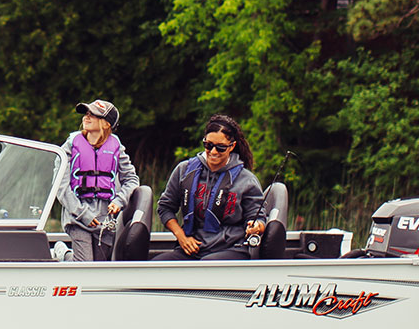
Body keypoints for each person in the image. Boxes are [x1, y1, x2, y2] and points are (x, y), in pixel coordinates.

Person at [153, 114, 265, 261]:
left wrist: (256, 226)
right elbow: (165, 208)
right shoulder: (184, 170)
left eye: (220, 148)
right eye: (209, 145)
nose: (213, 152)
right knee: (157, 265)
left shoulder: (247, 180)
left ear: (232, 146)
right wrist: (181, 237)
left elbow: (259, 217)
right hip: (192, 248)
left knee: (205, 266)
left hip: (231, 249)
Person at [53, 99, 139, 261]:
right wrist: (82, 213)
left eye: (93, 115)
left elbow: (132, 180)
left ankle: (67, 256)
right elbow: (61, 186)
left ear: (107, 124)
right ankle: (62, 254)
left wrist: (119, 201)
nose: (87, 117)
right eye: (86, 113)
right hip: (77, 218)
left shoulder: (117, 148)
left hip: (104, 221)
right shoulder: (70, 146)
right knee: (85, 265)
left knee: (100, 266)